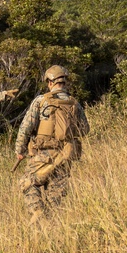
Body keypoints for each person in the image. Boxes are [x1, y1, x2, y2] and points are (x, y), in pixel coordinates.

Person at [15, 65, 90, 218]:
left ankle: (37, 212)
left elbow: (25, 128)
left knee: (27, 182)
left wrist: (19, 150)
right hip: (66, 155)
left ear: (50, 82)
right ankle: (52, 224)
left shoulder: (41, 101)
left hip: (44, 154)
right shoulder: (74, 103)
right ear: (65, 82)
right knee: (56, 197)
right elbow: (85, 129)